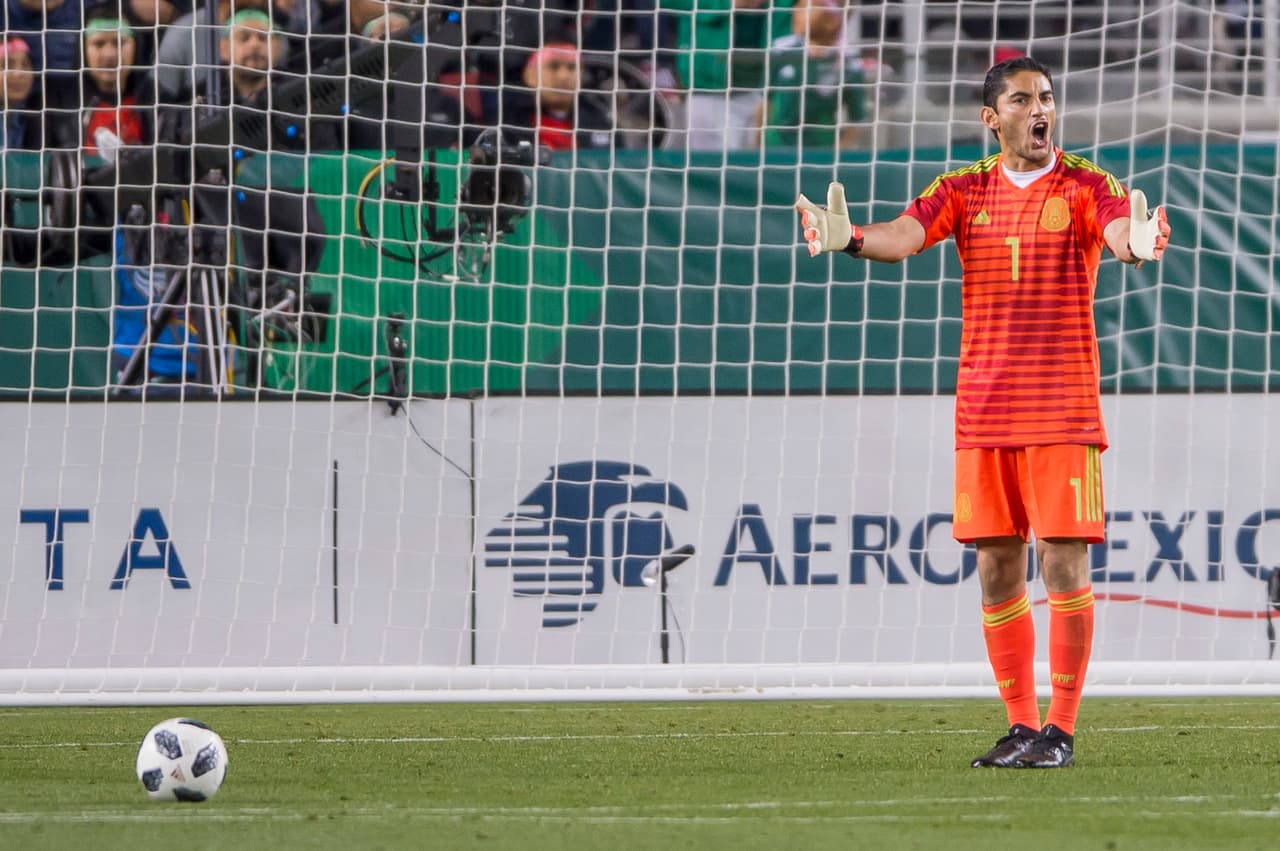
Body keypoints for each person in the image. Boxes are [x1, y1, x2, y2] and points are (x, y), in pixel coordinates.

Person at [796, 56, 1171, 768]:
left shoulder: (1089, 184)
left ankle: (1060, 729)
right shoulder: (962, 189)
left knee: (1063, 562)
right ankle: (1022, 726)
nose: (1041, 110)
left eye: (1049, 98)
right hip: (986, 409)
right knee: (998, 568)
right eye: (1024, 99)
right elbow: (905, 237)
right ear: (990, 117)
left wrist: (1140, 243)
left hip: (1060, 407)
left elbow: (1122, 232)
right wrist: (847, 237)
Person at [662, 0, 794, 151]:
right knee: (708, 168)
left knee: (756, 168)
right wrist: (726, 3)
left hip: (767, 91)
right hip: (707, 87)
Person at [757, 0, 866, 151]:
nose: (795, 10)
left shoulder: (849, 62)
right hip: (778, 149)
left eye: (804, 7)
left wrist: (838, 151)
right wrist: (757, 145)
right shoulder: (782, 49)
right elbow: (764, 103)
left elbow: (857, 118)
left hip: (823, 150)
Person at [503, 43, 611, 151]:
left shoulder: (601, 122)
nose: (563, 76)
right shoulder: (508, 123)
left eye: (572, 67)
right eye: (553, 66)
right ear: (530, 76)